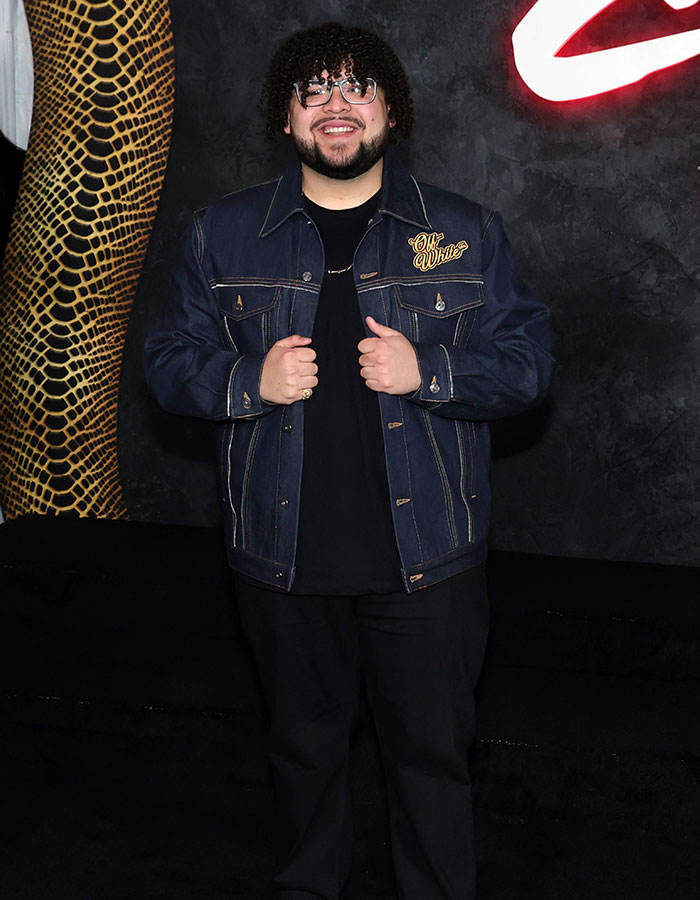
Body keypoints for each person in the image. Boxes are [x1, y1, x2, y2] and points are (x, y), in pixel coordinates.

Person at [144, 20, 553, 900]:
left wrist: (429, 369)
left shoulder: (463, 230)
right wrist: (249, 378)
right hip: (282, 564)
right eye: (313, 91)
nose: (335, 108)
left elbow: (526, 364)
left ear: (390, 112)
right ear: (286, 120)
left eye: (356, 88)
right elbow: (167, 363)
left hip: (429, 564)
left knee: (433, 767)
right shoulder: (223, 237)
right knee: (302, 761)